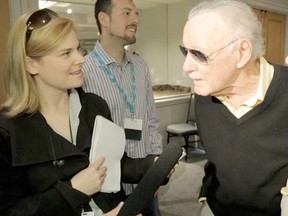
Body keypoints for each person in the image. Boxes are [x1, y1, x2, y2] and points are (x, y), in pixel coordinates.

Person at [0, 8, 159, 216]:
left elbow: (113, 163)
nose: (81, 59)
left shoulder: (94, 106)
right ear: (31, 64)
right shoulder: (8, 130)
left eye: (77, 49)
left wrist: (154, 165)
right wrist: (73, 190)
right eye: (66, 53)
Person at [181, 0, 288, 216]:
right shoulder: (205, 96)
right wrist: (205, 201)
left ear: (242, 52)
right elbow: (215, 161)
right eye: (185, 51)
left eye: (199, 54)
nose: (186, 67)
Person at [82, 0, 163, 215]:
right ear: (104, 19)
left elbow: (152, 120)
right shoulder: (83, 72)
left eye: (136, 14)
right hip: (109, 189)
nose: (135, 19)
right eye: (126, 13)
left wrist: (156, 172)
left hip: (145, 182)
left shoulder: (140, 65)